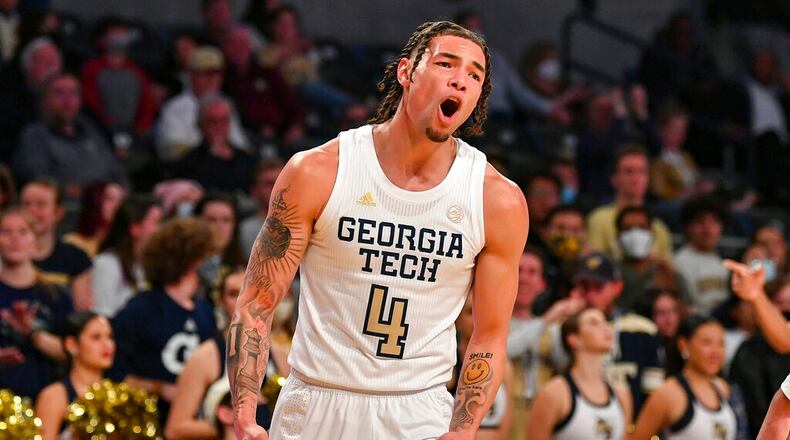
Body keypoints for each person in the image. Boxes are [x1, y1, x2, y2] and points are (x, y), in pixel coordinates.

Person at [228, 21, 529, 440]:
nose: (461, 79)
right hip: (316, 400)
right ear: (406, 72)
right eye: (446, 64)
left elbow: (490, 334)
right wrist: (243, 413)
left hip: (419, 408)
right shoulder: (317, 171)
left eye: (475, 75)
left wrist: (465, 429)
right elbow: (256, 303)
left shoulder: (497, 200)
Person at [111, 218, 217, 422]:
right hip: (148, 421)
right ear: (188, 260)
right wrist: (159, 388)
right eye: (205, 256)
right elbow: (114, 374)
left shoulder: (205, 310)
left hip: (193, 422)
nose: (211, 263)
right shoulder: (140, 308)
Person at [165, 268, 288, 439]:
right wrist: (228, 427)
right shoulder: (204, 357)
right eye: (233, 293)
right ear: (221, 301)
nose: (243, 300)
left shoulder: (281, 356)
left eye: (252, 291)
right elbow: (175, 428)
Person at [11, 73, 129, 198]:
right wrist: (76, 193)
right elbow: (38, 179)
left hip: (104, 207)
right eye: (59, 93)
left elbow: (116, 171)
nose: (68, 100)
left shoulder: (92, 133)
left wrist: (121, 189)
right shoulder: (35, 136)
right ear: (44, 100)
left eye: (74, 93)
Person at [528, 308, 632, 440]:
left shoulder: (622, 394)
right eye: (594, 323)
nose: (606, 328)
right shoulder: (554, 393)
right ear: (574, 339)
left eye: (606, 322)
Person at [0, 208, 71, 399]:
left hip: (43, 401)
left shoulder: (57, 294)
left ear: (35, 241)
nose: (15, 239)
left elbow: (72, 351)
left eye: (23, 232)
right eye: (5, 232)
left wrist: (32, 333)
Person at [631, 315, 736, 440]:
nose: (716, 352)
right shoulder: (668, 393)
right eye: (707, 343)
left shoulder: (721, 388)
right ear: (684, 344)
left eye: (721, 344)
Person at [35, 311, 115, 440]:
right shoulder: (54, 396)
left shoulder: (118, 395)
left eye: (110, 337)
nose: (108, 345)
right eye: (96, 337)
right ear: (71, 345)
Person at [586, 145, 673, 260]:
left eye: (642, 171)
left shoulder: (659, 228)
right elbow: (593, 261)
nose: (636, 178)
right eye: (628, 171)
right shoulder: (599, 219)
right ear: (614, 178)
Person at [21, 180, 93, 311]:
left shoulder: (76, 257)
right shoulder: (6, 256)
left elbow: (81, 311)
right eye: (26, 204)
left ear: (58, 213)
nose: (31, 211)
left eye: (41, 204)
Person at [92, 195, 162, 317]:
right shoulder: (107, 264)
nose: (160, 229)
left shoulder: (147, 264)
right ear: (134, 228)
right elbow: (101, 315)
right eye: (155, 222)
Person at [674, 197, 729, 315]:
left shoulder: (724, 263)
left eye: (714, 222)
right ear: (688, 227)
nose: (708, 230)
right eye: (700, 222)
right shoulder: (678, 262)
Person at [63, 181, 126, 258]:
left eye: (121, 200)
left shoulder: (127, 244)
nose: (118, 205)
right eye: (109, 199)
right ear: (93, 202)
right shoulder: (72, 243)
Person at [239, 159, 283, 258]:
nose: (277, 188)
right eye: (269, 184)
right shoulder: (245, 229)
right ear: (254, 191)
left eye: (281, 181)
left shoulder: (304, 224)